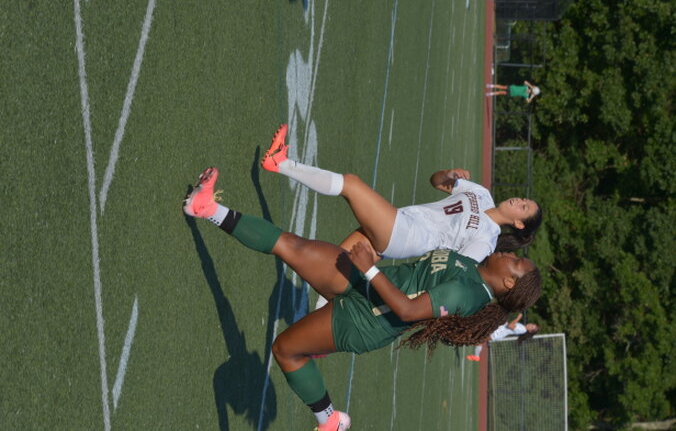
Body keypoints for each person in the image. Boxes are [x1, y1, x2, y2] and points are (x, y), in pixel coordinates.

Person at [183, 167, 542, 431]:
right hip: (365, 283)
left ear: (508, 281)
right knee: (291, 245)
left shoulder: (468, 292)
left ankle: (329, 420)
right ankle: (206, 207)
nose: (508, 253)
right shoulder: (472, 262)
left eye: (514, 261)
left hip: (366, 320)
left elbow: (408, 310)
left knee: (285, 350)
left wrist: (370, 269)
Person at [260, 124, 542, 266]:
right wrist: (448, 173)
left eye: (524, 207)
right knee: (332, 267)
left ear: (518, 223)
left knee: (352, 185)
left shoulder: (487, 240)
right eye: (523, 199)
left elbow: (458, 270)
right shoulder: (481, 194)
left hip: (407, 236)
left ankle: (280, 163)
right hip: (403, 219)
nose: (519, 201)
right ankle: (315, 341)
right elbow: (435, 181)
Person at [465, 312, 540, 362]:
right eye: (532, 324)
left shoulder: (522, 329)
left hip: (497, 333)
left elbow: (510, 326)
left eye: (532, 327)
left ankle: (474, 352)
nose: (530, 325)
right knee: (480, 339)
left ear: (530, 331)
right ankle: (476, 356)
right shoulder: (522, 327)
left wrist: (518, 318)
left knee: (480, 339)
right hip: (498, 331)